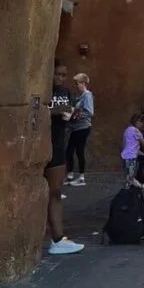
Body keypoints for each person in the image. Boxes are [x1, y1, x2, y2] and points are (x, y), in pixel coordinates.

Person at [44, 61, 83, 255]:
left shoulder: (64, 93)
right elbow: (34, 111)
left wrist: (73, 114)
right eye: (58, 74)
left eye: (64, 75)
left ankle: (58, 238)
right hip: (41, 143)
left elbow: (66, 115)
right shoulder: (41, 90)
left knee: (56, 192)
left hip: (58, 144)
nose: (61, 78)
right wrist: (56, 111)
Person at [64, 72, 94, 186]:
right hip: (76, 128)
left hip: (83, 127)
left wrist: (76, 115)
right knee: (70, 151)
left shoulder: (87, 95)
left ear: (83, 83)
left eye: (77, 83)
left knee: (79, 151)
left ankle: (81, 177)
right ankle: (70, 175)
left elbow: (90, 112)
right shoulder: (80, 96)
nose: (76, 86)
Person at [120, 110, 144, 183]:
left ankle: (128, 188)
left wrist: (143, 154)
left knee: (128, 175)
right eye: (141, 122)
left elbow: (131, 146)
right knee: (131, 176)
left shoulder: (127, 130)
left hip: (125, 157)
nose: (142, 125)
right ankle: (128, 190)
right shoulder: (136, 131)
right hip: (131, 157)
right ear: (137, 122)